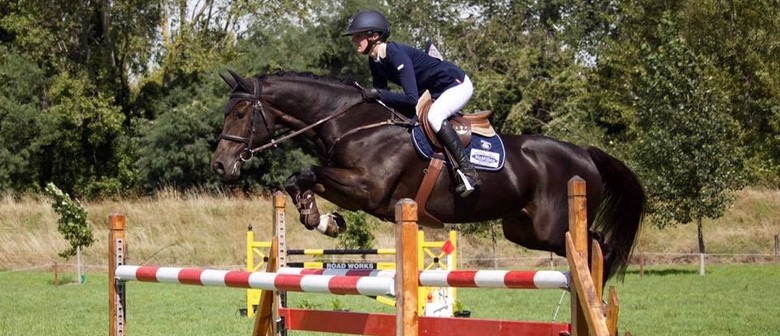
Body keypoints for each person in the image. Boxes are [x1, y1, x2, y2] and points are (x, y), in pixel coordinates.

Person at [342, 9, 481, 197]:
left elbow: (410, 99)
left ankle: (468, 172)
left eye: (358, 36)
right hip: (434, 91)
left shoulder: (395, 54)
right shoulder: (375, 60)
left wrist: (376, 94)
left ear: (374, 36)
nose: (353, 41)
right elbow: (381, 99)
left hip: (456, 84)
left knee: (435, 116)